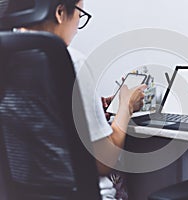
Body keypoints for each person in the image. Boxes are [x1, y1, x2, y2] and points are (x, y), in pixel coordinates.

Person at [18, 0, 146, 199]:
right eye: (79, 15)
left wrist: (91, 110)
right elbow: (103, 162)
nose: (77, 29)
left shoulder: (10, 58)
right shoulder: (68, 60)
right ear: (61, 13)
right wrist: (125, 107)